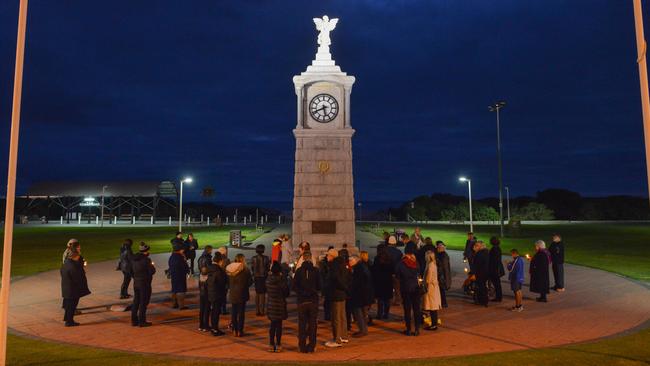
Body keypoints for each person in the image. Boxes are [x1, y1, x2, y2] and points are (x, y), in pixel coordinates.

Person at [293, 251, 320, 353]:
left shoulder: (299, 271)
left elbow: (294, 286)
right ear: (311, 258)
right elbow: (319, 285)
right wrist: (312, 291)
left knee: (302, 325)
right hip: (313, 300)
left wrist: (302, 292)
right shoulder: (316, 271)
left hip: (302, 301)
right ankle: (312, 346)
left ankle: (302, 346)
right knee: (313, 324)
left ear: (303, 259)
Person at [324, 248, 350, 348]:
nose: (326, 257)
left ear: (332, 256)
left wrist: (340, 286)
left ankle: (337, 339)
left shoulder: (334, 265)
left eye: (328, 255)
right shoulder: (342, 264)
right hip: (342, 293)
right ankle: (343, 336)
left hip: (336, 293)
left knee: (336, 317)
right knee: (342, 316)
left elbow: (336, 279)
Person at [60, 248, 90, 326]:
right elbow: (77, 277)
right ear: (75, 256)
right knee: (72, 306)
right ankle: (69, 321)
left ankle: (67, 318)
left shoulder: (66, 263)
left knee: (68, 305)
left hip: (66, 287)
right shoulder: (72, 266)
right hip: (72, 289)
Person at [395, 247, 421, 336]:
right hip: (416, 288)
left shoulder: (401, 264)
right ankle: (417, 328)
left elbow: (397, 275)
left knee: (407, 309)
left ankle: (409, 329)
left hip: (405, 288)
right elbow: (419, 273)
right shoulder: (416, 263)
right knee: (416, 309)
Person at [226, 253, 253, 337]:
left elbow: (227, 282)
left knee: (234, 312)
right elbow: (250, 282)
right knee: (241, 313)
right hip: (242, 293)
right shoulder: (245, 269)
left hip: (233, 293)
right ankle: (240, 330)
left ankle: (235, 329)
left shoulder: (229, 269)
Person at [266, 262, 290, 352]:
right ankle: (278, 344)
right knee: (279, 326)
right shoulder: (282, 280)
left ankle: (271, 344)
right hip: (280, 304)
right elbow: (287, 293)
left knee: (272, 325)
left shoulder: (268, 280)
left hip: (271, 304)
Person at [131, 242, 155, 327]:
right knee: (143, 302)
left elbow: (131, 271)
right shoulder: (146, 260)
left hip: (136, 282)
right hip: (144, 283)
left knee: (136, 301)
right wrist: (152, 266)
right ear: (146, 251)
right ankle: (142, 321)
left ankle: (134, 321)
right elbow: (152, 271)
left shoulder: (133, 259)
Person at [349, 255, 372, 337]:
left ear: (355, 261)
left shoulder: (358, 269)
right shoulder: (362, 266)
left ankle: (362, 330)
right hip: (364, 294)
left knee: (358, 313)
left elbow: (356, 283)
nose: (349, 262)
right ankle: (363, 329)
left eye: (351, 260)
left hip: (359, 294)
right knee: (362, 313)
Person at [207, 252, 227, 336]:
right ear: (220, 261)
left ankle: (213, 327)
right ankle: (215, 329)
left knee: (213, 311)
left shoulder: (210, 268)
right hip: (217, 294)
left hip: (210, 292)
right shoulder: (218, 270)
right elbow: (222, 282)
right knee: (216, 312)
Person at [372, 244, 394, 319]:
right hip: (388, 281)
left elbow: (374, 270)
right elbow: (392, 270)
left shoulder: (377, 259)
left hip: (380, 281)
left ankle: (380, 314)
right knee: (387, 299)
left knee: (380, 299)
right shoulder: (390, 259)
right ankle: (386, 314)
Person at [422, 250, 442, 330]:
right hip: (434, 287)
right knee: (433, 306)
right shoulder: (433, 264)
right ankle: (434, 322)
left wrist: (424, 283)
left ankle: (433, 325)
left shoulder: (430, 265)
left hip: (431, 288)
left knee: (432, 306)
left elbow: (428, 278)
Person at [168, 242, 189, 309]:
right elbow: (183, 266)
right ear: (180, 250)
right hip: (180, 276)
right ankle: (181, 306)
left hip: (174, 276)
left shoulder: (172, 256)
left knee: (174, 290)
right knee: (181, 291)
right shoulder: (180, 257)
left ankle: (174, 304)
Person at [252, 244, 270, 316]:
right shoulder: (266, 258)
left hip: (256, 277)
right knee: (262, 294)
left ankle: (257, 310)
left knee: (257, 293)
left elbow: (252, 268)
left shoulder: (253, 258)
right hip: (263, 277)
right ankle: (261, 310)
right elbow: (268, 268)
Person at [471, 241, 490, 307]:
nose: (474, 247)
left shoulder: (479, 254)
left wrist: (473, 274)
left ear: (480, 246)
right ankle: (485, 301)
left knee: (481, 287)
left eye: (476, 245)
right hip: (486, 272)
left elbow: (476, 265)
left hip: (480, 273)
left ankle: (482, 301)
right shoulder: (486, 252)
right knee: (483, 287)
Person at [386, 235, 403, 306]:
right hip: (396, 272)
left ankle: (388, 300)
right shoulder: (399, 252)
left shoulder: (385, 250)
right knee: (397, 288)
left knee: (387, 287)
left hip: (387, 271)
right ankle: (398, 300)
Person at [488, 236, 505, 302]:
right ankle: (499, 297)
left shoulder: (494, 249)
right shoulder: (498, 248)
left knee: (496, 284)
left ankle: (498, 297)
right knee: (497, 284)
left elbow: (493, 260)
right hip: (497, 268)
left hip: (494, 269)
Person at [319, 246, 333, 321]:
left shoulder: (334, 262)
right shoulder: (324, 262)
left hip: (330, 285)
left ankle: (329, 315)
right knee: (327, 302)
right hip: (326, 284)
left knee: (329, 302)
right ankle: (327, 315)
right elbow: (322, 274)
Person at [435, 242, 451, 308]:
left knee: (442, 291)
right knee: (441, 291)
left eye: (438, 248)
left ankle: (444, 303)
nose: (437, 249)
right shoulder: (442, 255)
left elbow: (443, 268)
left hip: (442, 276)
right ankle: (442, 303)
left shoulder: (443, 256)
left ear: (441, 249)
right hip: (442, 276)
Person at [217, 246, 231, 315]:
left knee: (218, 295)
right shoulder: (227, 260)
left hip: (217, 280)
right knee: (223, 296)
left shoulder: (216, 259)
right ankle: (223, 309)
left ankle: (218, 309)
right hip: (224, 280)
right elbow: (228, 271)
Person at [198, 266, 211, 332]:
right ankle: (206, 326)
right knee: (206, 310)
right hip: (207, 296)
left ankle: (201, 325)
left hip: (201, 295)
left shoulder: (200, 277)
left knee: (202, 310)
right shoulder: (208, 278)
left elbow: (199, 287)